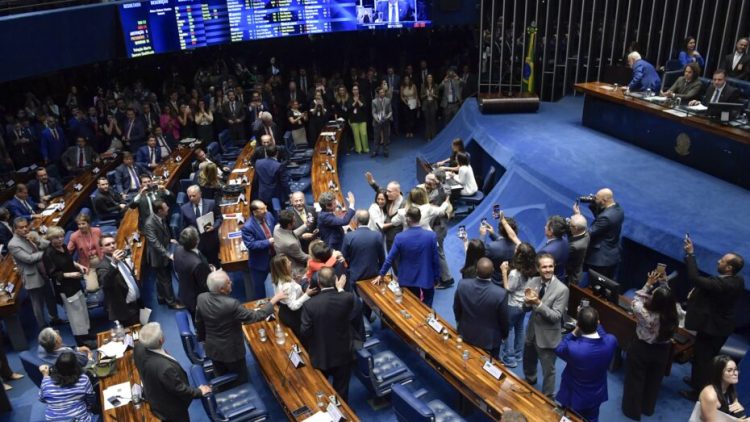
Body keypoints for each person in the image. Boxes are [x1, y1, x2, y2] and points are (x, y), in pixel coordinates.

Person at [680, 238, 744, 400]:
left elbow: (695, 278)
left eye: (722, 261)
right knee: (704, 358)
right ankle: (697, 381)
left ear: (729, 268)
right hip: (720, 326)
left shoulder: (722, 284)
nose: (718, 261)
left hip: (713, 329)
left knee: (703, 360)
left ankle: (697, 392)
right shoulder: (738, 280)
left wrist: (690, 254)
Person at [196, 270, 286, 384]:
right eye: (228, 282)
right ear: (221, 289)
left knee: (220, 375)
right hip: (232, 351)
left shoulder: (201, 298)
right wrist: (273, 300)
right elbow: (256, 316)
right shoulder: (231, 304)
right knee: (240, 378)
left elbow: (199, 323)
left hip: (212, 348)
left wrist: (202, 339)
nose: (231, 282)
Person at [621, 273, 679, 420]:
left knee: (635, 379)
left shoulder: (644, 313)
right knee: (654, 381)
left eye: (653, 295)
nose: (650, 295)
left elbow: (636, 301)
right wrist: (664, 283)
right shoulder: (675, 312)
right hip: (662, 351)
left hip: (642, 348)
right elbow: (668, 298)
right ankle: (647, 408)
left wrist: (648, 284)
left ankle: (631, 411)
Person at [134, 322, 211, 421]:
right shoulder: (165, 368)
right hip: (171, 409)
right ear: (161, 340)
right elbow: (179, 389)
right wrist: (199, 391)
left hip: (154, 394)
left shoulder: (138, 347)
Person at [555, 307, 618, 422]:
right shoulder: (612, 341)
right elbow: (603, 335)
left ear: (578, 324)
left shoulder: (573, 348)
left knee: (570, 418)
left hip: (574, 397)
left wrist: (575, 331)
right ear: (598, 322)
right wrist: (593, 321)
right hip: (596, 394)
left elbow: (559, 349)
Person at [300, 267, 354, 400]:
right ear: (335, 280)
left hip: (320, 354)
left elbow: (304, 332)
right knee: (341, 391)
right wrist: (340, 288)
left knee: (320, 389)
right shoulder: (347, 298)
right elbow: (348, 300)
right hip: (342, 354)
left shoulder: (310, 305)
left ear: (318, 282)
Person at [372, 207, 440, 307]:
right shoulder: (431, 236)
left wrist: (381, 274)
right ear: (419, 218)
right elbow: (435, 260)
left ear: (407, 219)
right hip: (426, 277)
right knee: (427, 309)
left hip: (407, 279)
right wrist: (436, 278)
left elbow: (390, 258)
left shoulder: (400, 237)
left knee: (409, 307)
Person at [523, 253, 569, 398]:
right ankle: (530, 379)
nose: (548, 270)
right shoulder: (533, 281)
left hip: (548, 337)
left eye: (550, 266)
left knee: (549, 371)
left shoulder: (562, 290)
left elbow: (556, 317)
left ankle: (547, 397)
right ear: (538, 268)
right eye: (544, 267)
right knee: (528, 361)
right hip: (532, 332)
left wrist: (538, 303)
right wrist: (526, 302)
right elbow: (524, 309)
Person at [9, 217, 63, 328]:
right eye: (21, 227)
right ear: (15, 229)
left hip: (44, 271)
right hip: (32, 276)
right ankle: (42, 325)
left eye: (26, 226)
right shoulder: (13, 244)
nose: (25, 229)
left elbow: (48, 244)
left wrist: (37, 240)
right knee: (37, 303)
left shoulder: (32, 234)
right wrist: (45, 253)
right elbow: (28, 259)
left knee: (50, 297)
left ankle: (55, 319)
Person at [43, 226, 91, 344]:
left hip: (75, 282)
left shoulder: (63, 247)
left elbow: (69, 260)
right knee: (75, 313)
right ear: (50, 239)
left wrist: (79, 266)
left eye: (61, 237)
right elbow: (53, 274)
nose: (60, 240)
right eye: (56, 238)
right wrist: (70, 275)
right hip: (65, 287)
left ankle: (87, 332)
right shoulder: (48, 254)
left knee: (83, 308)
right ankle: (81, 340)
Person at [453, 258, 509, 357]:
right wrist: (504, 335)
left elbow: (456, 308)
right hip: (489, 341)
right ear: (492, 271)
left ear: (476, 270)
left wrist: (460, 323)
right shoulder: (500, 294)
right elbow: (504, 320)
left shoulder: (462, 284)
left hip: (465, 332)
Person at [499, 242, 537, 368]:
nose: (514, 248)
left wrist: (504, 271)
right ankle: (518, 354)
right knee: (519, 328)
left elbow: (508, 288)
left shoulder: (515, 273)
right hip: (524, 305)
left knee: (508, 330)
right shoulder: (533, 268)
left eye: (517, 249)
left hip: (513, 305)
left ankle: (509, 358)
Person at [573, 188, 624, 279]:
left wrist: (578, 216)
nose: (595, 199)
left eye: (597, 198)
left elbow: (588, 233)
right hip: (612, 253)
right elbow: (600, 217)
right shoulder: (618, 209)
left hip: (600, 260)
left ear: (604, 200)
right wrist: (594, 203)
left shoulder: (606, 218)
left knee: (593, 285)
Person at [143, 199, 183, 309]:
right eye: (166, 208)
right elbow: (154, 242)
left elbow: (163, 231)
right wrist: (167, 254)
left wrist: (169, 239)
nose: (168, 208)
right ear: (160, 211)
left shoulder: (161, 217)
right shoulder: (149, 224)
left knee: (161, 278)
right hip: (157, 256)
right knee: (166, 280)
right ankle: (172, 303)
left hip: (163, 250)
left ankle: (161, 297)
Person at [97, 234, 142, 327]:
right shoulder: (102, 266)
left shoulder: (120, 257)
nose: (112, 246)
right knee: (132, 335)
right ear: (101, 249)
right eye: (107, 245)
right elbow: (105, 283)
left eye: (113, 243)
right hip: (125, 309)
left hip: (136, 303)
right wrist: (113, 264)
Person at [38, 352, 96, 422]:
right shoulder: (83, 379)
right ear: (76, 366)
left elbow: (42, 399)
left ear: (56, 366)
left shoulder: (46, 382)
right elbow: (91, 399)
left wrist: (45, 375)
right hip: (79, 419)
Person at [270, 255, 317, 336]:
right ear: (283, 267)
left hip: (284, 311)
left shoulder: (278, 279)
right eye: (288, 262)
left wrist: (296, 282)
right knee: (301, 336)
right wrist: (307, 294)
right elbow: (293, 306)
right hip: (292, 315)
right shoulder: (287, 285)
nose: (290, 262)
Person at [242, 200, 276, 300]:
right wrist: (268, 242)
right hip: (259, 263)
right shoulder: (247, 227)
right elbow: (251, 245)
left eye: (265, 207)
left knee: (277, 283)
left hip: (274, 257)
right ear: (255, 212)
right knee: (259, 290)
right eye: (262, 209)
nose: (266, 210)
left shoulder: (269, 215)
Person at [174, 227, 211, 317]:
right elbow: (205, 286)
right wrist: (211, 273)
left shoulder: (177, 250)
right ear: (197, 241)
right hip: (197, 300)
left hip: (185, 294)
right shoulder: (197, 264)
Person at [180, 185, 221, 267]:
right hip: (196, 244)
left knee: (215, 263)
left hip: (211, 240)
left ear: (200, 194)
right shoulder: (184, 208)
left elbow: (219, 218)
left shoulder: (211, 203)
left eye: (194, 196)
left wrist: (214, 226)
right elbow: (183, 226)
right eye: (189, 196)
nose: (191, 198)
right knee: (202, 266)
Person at [342, 210, 385, 285]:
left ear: (356, 220)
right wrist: (381, 273)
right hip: (374, 276)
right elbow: (382, 258)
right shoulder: (378, 235)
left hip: (355, 276)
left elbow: (344, 257)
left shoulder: (348, 236)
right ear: (368, 220)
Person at [697, 355, 747, 420]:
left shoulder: (730, 388)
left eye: (736, 369)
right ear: (719, 373)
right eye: (729, 370)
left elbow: (737, 414)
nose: (735, 373)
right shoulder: (710, 395)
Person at [66, 213, 103, 292]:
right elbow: (67, 252)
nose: (81, 226)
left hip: (101, 260)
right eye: (79, 224)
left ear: (88, 223)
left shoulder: (97, 231)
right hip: (88, 265)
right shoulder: (74, 236)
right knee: (92, 288)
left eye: (83, 223)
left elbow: (102, 244)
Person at [482, 215, 521, 282]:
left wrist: (482, 235)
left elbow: (478, 252)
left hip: (496, 283)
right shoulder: (520, 246)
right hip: (513, 282)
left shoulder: (491, 247)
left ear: (500, 230)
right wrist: (492, 234)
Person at [274, 209, 311, 276]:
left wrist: (306, 225)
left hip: (283, 266)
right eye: (294, 221)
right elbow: (303, 257)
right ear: (289, 225)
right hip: (296, 271)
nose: (296, 221)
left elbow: (290, 234)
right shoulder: (291, 244)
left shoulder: (277, 228)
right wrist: (319, 255)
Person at [538, 215, 570, 280]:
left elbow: (538, 270)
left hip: (549, 281)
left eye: (546, 226)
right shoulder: (565, 239)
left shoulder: (546, 252)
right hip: (561, 277)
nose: (544, 227)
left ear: (551, 231)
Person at [565, 214, 590, 286]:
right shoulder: (586, 233)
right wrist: (577, 214)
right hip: (577, 267)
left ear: (575, 228)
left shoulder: (575, 246)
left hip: (571, 277)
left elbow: (562, 256)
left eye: (570, 224)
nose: (568, 225)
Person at [371, 86, 392, 158]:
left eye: (383, 92)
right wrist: (378, 119)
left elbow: (390, 112)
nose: (382, 93)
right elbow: (373, 113)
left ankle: (386, 151)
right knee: (376, 138)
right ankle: (375, 151)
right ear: (378, 94)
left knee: (386, 137)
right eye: (381, 92)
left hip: (386, 121)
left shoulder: (388, 100)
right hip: (377, 122)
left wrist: (386, 117)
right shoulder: (374, 101)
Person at [347, 85, 369, 154]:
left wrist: (358, 100)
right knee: (356, 135)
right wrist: (354, 102)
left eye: (356, 89)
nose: (355, 91)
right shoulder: (350, 98)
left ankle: (365, 149)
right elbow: (349, 108)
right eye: (354, 89)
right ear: (352, 91)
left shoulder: (362, 97)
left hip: (362, 119)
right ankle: (358, 149)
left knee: (364, 134)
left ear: (358, 90)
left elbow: (364, 107)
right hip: (354, 120)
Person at [421, 74, 438, 140]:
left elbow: (438, 96)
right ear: (426, 78)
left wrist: (433, 95)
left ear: (432, 78)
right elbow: (421, 96)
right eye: (428, 77)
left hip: (433, 104)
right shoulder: (423, 86)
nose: (429, 78)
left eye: (430, 77)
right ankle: (428, 136)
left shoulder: (435, 85)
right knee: (427, 121)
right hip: (426, 104)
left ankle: (434, 136)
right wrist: (426, 94)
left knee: (433, 121)